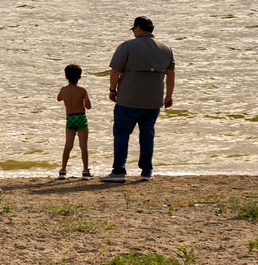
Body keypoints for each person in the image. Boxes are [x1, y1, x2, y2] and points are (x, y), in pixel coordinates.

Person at [102, 16, 175, 182]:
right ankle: (146, 171)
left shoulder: (127, 46)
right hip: (153, 101)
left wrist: (112, 90)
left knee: (122, 134)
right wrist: (168, 96)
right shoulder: (166, 49)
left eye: (134, 29)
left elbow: (115, 71)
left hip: (128, 99)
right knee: (147, 134)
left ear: (138, 28)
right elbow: (171, 74)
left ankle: (119, 170)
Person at [57, 64, 92, 179]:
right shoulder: (82, 90)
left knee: (68, 145)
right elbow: (88, 106)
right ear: (80, 77)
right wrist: (83, 99)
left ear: (66, 77)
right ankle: (85, 171)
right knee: (83, 146)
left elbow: (59, 98)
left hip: (70, 118)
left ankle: (63, 170)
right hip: (81, 118)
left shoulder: (63, 89)